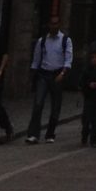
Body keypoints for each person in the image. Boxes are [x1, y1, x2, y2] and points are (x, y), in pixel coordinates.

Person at [24, 13, 74, 143]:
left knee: (55, 106)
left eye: (56, 23)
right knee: (38, 103)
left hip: (57, 74)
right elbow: (36, 60)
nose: (54, 26)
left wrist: (62, 74)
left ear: (59, 25)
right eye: (52, 23)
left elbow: (68, 60)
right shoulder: (42, 41)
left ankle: (50, 133)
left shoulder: (65, 40)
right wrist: (32, 75)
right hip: (44, 74)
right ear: (49, 25)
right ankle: (33, 134)